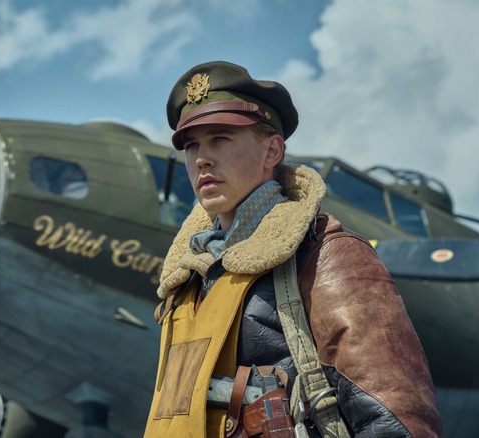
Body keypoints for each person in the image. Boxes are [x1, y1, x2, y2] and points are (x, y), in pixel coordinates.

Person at [144, 61, 442, 437]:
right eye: (192, 146)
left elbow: (393, 422)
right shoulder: (188, 276)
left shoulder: (326, 254)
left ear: (272, 151)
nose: (201, 158)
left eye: (220, 139)